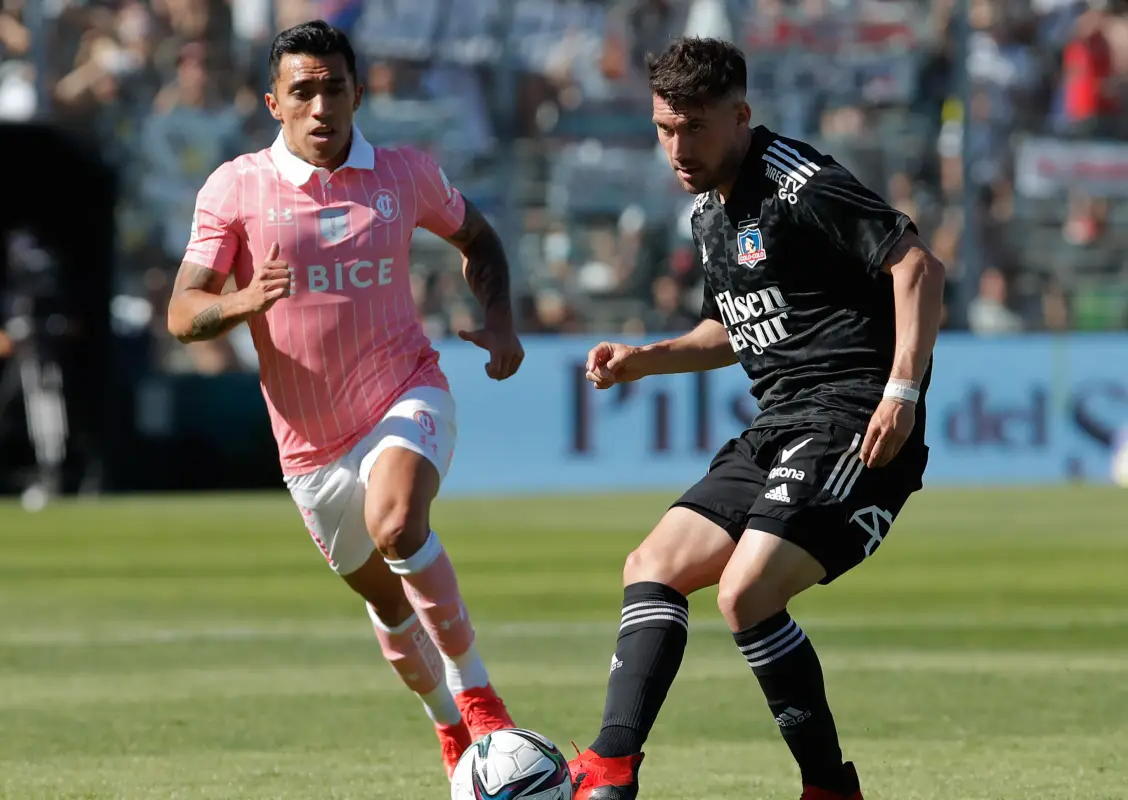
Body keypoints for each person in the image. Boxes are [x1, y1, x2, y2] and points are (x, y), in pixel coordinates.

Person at [566, 37, 945, 800]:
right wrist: (645, 357)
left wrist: (900, 392)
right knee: (652, 566)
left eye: (693, 128)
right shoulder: (709, 213)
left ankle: (830, 788)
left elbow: (916, 265)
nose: (675, 148)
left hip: (850, 420)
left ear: (740, 116)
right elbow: (731, 331)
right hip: (778, 424)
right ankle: (609, 770)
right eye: (663, 129)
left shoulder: (799, 182)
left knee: (745, 596)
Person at [166, 21, 523, 779]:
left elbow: (480, 240)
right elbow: (181, 313)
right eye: (303, 91)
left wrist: (499, 320)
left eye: (334, 88)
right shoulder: (235, 188)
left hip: (404, 390)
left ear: (358, 93)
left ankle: (480, 695)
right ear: (274, 102)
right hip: (308, 448)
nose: (321, 106)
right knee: (390, 607)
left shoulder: (405, 173)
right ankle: (448, 727)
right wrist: (239, 304)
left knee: (397, 522)